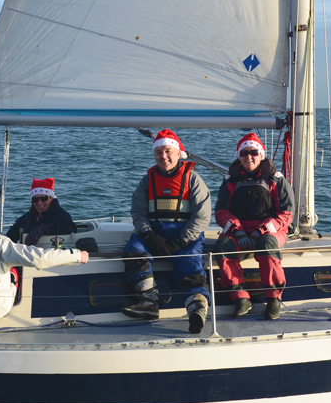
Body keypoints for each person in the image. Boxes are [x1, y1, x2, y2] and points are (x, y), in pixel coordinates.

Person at [122, 129, 211, 334]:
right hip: (154, 233)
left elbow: (202, 216)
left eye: (168, 151)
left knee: (191, 264)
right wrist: (149, 236)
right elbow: (138, 212)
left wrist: (180, 241)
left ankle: (197, 310)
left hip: (185, 235)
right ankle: (148, 301)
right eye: (158, 152)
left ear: (178, 153)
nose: (164, 156)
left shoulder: (193, 179)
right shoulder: (147, 180)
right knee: (134, 251)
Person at [214, 133, 294, 320]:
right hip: (240, 231)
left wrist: (262, 230)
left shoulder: (276, 179)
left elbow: (286, 214)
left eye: (253, 153)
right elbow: (221, 211)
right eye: (244, 153)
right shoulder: (230, 180)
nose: (248, 157)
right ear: (238, 156)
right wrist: (237, 230)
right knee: (223, 247)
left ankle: (273, 299)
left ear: (261, 155)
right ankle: (240, 298)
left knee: (267, 246)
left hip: (271, 230)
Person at [6, 178, 76, 245]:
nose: (39, 203)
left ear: (51, 199)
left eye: (44, 198)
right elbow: (12, 234)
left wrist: (46, 228)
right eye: (35, 200)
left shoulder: (61, 215)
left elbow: (71, 228)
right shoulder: (27, 217)